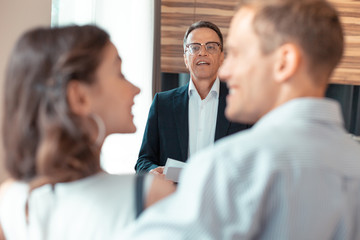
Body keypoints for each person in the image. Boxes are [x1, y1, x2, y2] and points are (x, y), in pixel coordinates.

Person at [123, 0, 360, 239]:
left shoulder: (232, 166)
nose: (225, 71)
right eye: (195, 48)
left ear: (284, 62)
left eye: (237, 53)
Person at [0, 25, 175, 240]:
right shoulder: (151, 196)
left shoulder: (10, 197)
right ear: (79, 97)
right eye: (120, 73)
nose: (135, 88)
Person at [135, 21, 249, 175]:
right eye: (195, 47)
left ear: (221, 57)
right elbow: (143, 161)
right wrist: (152, 172)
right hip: (175, 195)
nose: (203, 52)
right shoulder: (163, 104)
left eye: (211, 47)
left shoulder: (241, 102)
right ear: (185, 59)